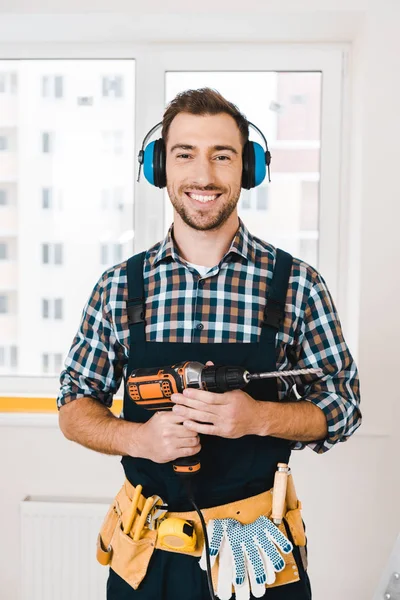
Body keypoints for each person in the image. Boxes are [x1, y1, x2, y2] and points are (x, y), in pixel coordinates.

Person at [57, 88, 361, 600]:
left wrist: (258, 417)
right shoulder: (118, 287)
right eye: (184, 155)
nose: (204, 175)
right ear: (160, 168)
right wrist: (138, 439)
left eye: (223, 155)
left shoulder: (296, 285)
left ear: (248, 169)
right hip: (147, 558)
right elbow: (72, 407)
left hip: (258, 558)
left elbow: (344, 407)